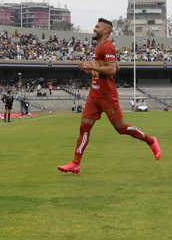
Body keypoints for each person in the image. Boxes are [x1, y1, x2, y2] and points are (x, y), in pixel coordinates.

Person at [58, 18, 161, 174]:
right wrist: (94, 69)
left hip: (106, 95)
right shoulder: (101, 47)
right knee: (84, 127)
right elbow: (116, 66)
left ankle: (151, 141)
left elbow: (112, 70)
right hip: (95, 94)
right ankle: (75, 163)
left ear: (105, 31)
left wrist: (91, 66)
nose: (94, 28)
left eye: (97, 27)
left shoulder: (107, 47)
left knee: (121, 128)